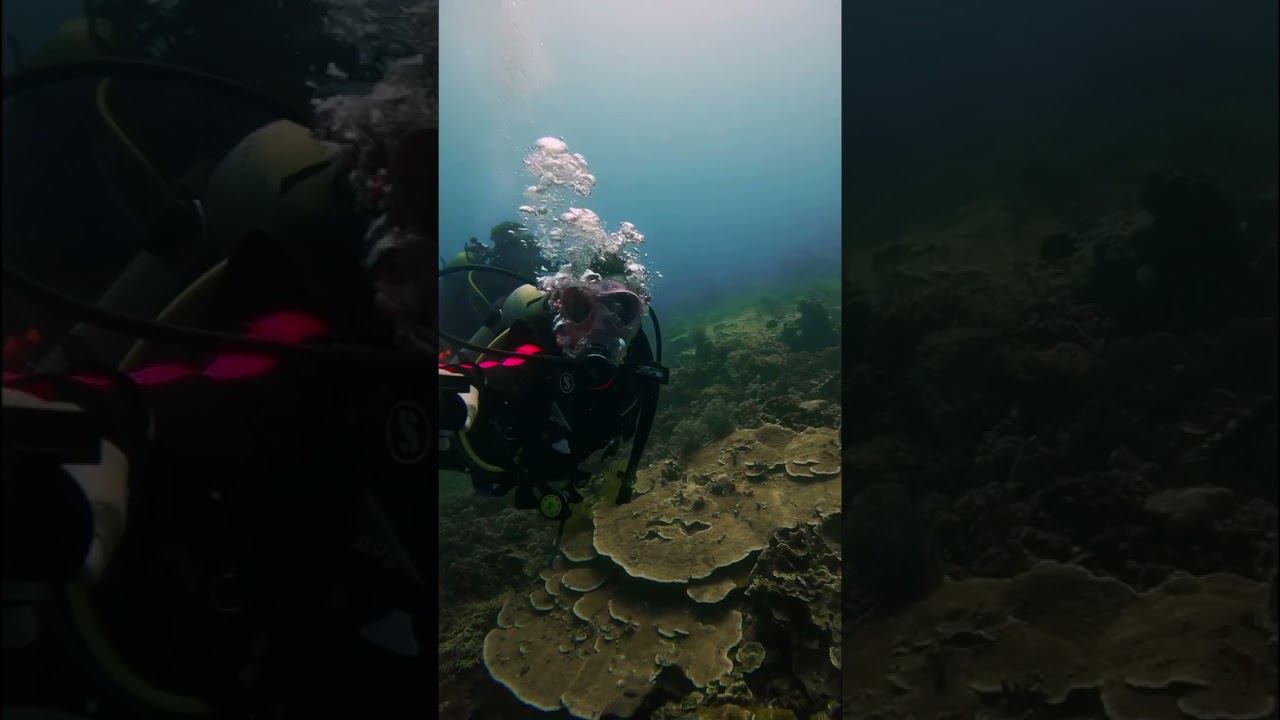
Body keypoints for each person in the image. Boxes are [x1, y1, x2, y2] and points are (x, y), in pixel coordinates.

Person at [2, 22, 438, 719]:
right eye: (428, 190)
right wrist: (89, 427)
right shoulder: (337, 306)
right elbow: (223, 384)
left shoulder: (464, 318)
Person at [437, 257, 669, 530]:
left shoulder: (640, 365)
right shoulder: (539, 345)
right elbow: (506, 369)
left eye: (619, 310)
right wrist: (469, 381)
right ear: (561, 309)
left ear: (637, 318)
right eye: (580, 307)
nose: (597, 327)